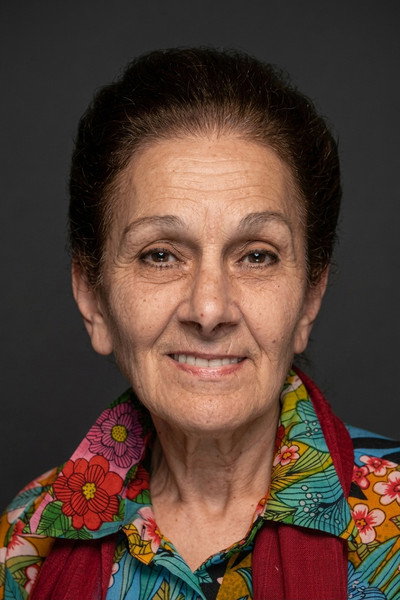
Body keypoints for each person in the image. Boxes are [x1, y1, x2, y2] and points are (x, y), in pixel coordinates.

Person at [1, 47, 399, 600]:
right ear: (93, 297)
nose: (209, 310)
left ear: (310, 297)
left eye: (257, 255)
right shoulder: (24, 542)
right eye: (160, 255)